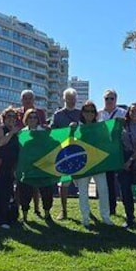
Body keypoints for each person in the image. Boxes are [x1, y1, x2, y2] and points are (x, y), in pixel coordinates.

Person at [74, 101, 112, 228]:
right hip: (83, 164)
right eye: (86, 111)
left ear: (95, 113)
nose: (89, 113)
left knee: (103, 189)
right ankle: (85, 217)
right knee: (83, 191)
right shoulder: (77, 127)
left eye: (92, 111)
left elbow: (107, 141)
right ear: (82, 113)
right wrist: (71, 130)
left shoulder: (101, 126)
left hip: (98, 163)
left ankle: (105, 216)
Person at [15, 109, 55, 221]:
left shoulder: (44, 132)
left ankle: (47, 214)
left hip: (43, 167)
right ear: (26, 119)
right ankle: (25, 216)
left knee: (47, 192)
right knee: (25, 193)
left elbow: (52, 145)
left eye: (35, 117)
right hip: (27, 168)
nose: (33, 119)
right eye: (30, 117)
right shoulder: (21, 133)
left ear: (38, 119)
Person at [51, 88, 81, 220]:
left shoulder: (81, 113)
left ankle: (86, 211)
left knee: (82, 183)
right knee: (64, 183)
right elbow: (53, 131)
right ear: (64, 99)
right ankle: (64, 210)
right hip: (64, 153)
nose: (72, 101)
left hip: (80, 151)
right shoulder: (58, 115)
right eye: (69, 99)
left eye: (73, 99)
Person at [16, 89, 46, 216]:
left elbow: (43, 128)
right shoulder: (16, 113)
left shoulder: (40, 112)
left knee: (37, 183)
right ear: (21, 100)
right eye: (25, 98)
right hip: (22, 153)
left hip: (37, 153)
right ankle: (20, 208)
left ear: (34, 100)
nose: (27, 100)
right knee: (22, 183)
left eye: (30, 98)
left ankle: (37, 208)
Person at [99, 89, 126, 217]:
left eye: (111, 98)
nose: (109, 101)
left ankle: (128, 209)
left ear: (116, 99)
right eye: (107, 98)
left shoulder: (123, 113)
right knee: (108, 181)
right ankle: (111, 208)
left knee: (122, 181)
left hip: (119, 151)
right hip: (104, 152)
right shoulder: (99, 114)